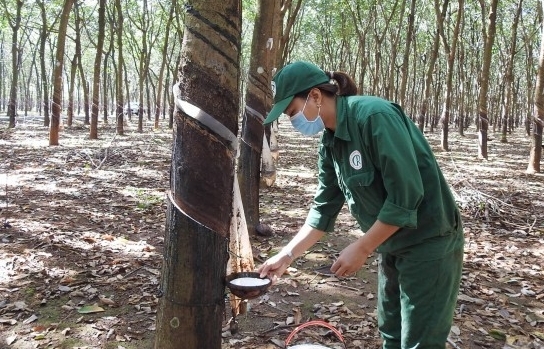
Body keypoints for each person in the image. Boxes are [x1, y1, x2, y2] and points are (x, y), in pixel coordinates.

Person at [257, 61, 464, 349]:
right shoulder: (330, 142)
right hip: (390, 242)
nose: (293, 122)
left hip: (428, 240)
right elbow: (324, 208)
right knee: (391, 331)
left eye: (292, 112)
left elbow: (406, 196)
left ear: (315, 96)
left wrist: (363, 247)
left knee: (420, 340)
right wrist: (286, 256)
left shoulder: (374, 117)